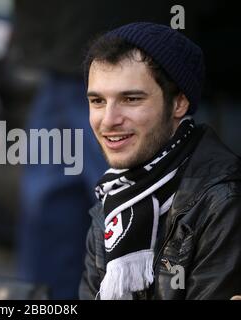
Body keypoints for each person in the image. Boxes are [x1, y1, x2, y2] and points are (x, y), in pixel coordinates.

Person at [79, 22, 241, 300]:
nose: (108, 120)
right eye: (97, 101)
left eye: (130, 99)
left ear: (179, 103)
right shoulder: (114, 196)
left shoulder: (224, 200)